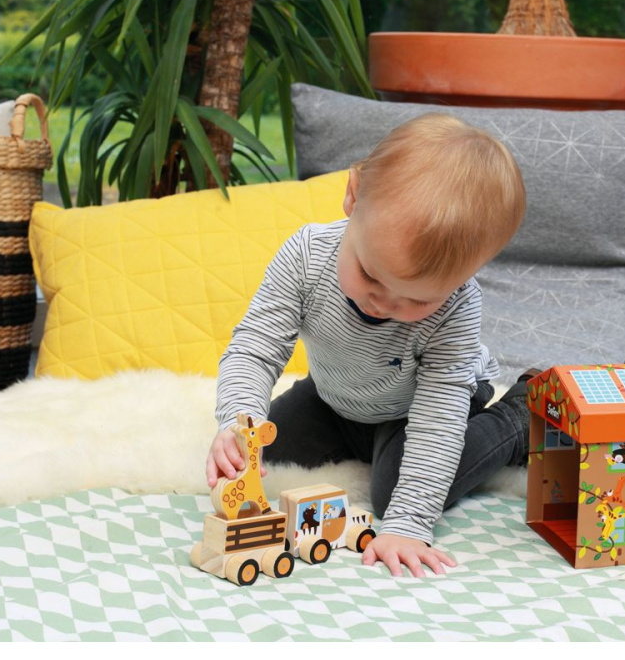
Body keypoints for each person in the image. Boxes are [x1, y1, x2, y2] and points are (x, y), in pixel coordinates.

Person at [206, 113, 533, 578]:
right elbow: (255, 349)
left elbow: (437, 421)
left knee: (393, 491)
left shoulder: (458, 307)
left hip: (420, 406)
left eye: (418, 300)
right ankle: (359, 442)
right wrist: (240, 422)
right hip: (338, 394)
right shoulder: (305, 256)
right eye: (371, 275)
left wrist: (409, 523)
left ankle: (517, 417)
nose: (385, 304)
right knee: (267, 453)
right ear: (353, 196)